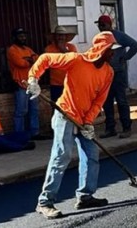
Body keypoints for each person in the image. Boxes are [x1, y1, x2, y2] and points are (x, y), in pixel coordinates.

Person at [26, 31, 119, 220]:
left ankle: (85, 196)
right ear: (101, 49)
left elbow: (99, 100)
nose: (113, 54)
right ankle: (44, 202)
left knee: (92, 154)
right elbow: (45, 59)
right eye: (111, 50)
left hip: (83, 120)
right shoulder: (76, 60)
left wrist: (88, 121)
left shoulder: (108, 72)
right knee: (62, 156)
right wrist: (33, 79)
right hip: (64, 115)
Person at [95, 15, 137, 139]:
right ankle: (110, 128)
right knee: (106, 101)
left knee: (121, 100)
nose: (101, 27)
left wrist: (124, 58)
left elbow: (135, 45)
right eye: (99, 25)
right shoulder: (100, 38)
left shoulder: (119, 36)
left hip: (117, 73)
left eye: (103, 25)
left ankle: (126, 127)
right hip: (104, 75)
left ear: (110, 25)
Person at [6, 28, 45, 139]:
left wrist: (29, 59)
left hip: (32, 84)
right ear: (15, 37)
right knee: (21, 111)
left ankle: (34, 133)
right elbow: (21, 63)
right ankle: (20, 135)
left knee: (34, 110)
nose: (23, 38)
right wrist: (29, 60)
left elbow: (38, 60)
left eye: (24, 35)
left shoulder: (28, 49)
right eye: (20, 36)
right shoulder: (12, 50)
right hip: (20, 84)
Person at [44, 26, 78, 103]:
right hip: (55, 84)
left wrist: (63, 49)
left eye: (62, 35)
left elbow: (75, 60)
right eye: (58, 35)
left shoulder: (71, 47)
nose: (60, 37)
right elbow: (49, 63)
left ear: (65, 37)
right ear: (55, 37)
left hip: (70, 83)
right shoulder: (49, 49)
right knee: (56, 106)